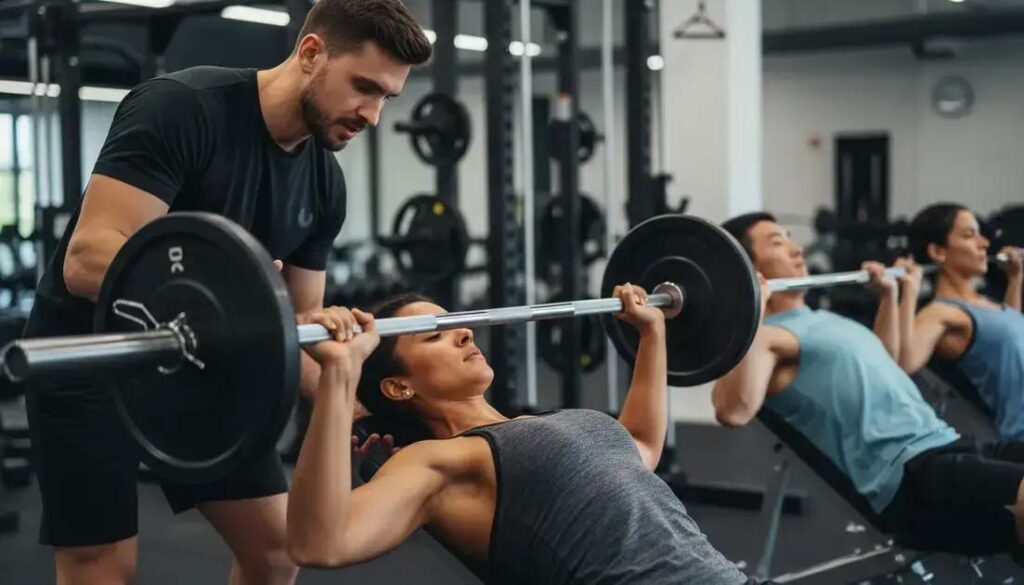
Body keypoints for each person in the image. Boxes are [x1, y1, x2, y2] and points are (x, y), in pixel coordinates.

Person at [22, 1, 430, 583]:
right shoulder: (181, 109)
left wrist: (365, 413)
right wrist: (233, 285)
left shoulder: (322, 183)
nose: (373, 114)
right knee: (103, 566)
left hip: (203, 372)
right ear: (311, 54)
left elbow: (301, 322)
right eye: (364, 87)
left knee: (277, 551)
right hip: (93, 355)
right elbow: (86, 261)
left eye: (387, 97)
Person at [286, 286, 758, 585]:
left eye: (455, 325)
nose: (465, 334)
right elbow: (320, 543)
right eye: (435, 335)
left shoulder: (542, 424)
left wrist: (652, 335)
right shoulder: (437, 461)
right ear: (398, 386)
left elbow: (642, 446)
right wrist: (340, 376)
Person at [713, 212, 1024, 559]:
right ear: (746, 267)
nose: (795, 248)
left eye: (789, 237)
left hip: (951, 445)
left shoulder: (822, 319)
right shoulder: (769, 337)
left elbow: (889, 364)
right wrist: (750, 310)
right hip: (913, 474)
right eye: (777, 242)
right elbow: (732, 410)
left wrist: (890, 296)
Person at [899, 203, 1024, 441]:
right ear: (938, 251)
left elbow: (1011, 340)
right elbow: (904, 362)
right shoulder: (941, 312)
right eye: (969, 235)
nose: (984, 243)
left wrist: (1015, 279)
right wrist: (909, 291)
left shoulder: (987, 302)